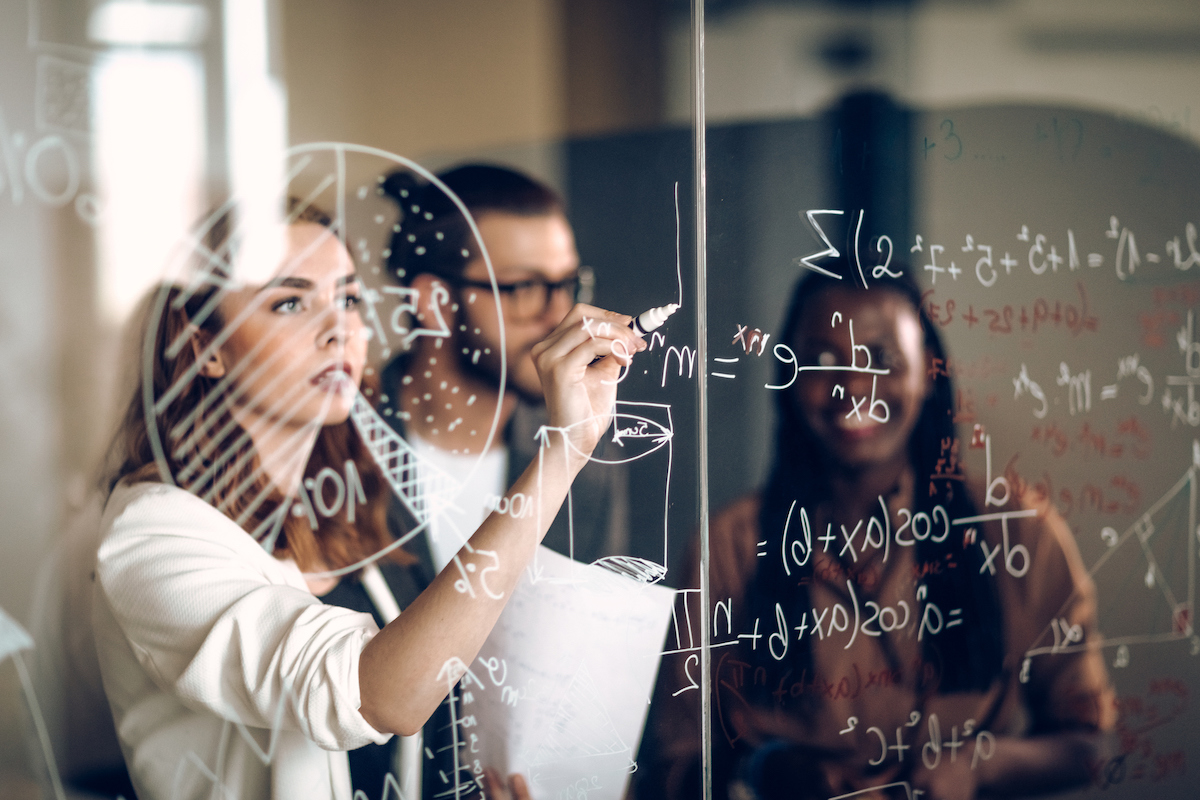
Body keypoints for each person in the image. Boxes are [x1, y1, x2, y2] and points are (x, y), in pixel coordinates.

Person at [91, 199, 647, 800]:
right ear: (207, 348)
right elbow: (380, 697)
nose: (337, 329)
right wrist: (562, 451)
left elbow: (424, 721)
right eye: (289, 302)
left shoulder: (344, 501)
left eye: (349, 298)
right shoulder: (152, 532)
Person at [640, 264, 1114, 800]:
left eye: (883, 359)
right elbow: (674, 763)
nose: (854, 386)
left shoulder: (1015, 529)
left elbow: (1091, 747)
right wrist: (771, 771)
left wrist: (978, 768)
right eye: (821, 360)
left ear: (928, 373)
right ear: (788, 381)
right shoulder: (734, 543)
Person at [375, 164, 629, 572]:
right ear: (435, 302)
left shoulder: (584, 452)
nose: (561, 316)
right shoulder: (335, 446)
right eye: (524, 288)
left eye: (566, 284)